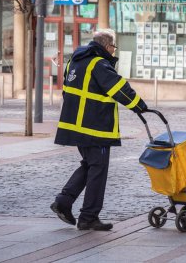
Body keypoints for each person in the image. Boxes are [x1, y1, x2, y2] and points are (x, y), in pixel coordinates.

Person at [51, 29, 148, 231]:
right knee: (98, 170)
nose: (114, 51)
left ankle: (64, 201)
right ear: (106, 46)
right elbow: (119, 88)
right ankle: (88, 216)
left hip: (75, 126)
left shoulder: (75, 61)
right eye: (113, 47)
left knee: (90, 165)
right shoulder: (99, 63)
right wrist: (140, 106)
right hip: (95, 128)